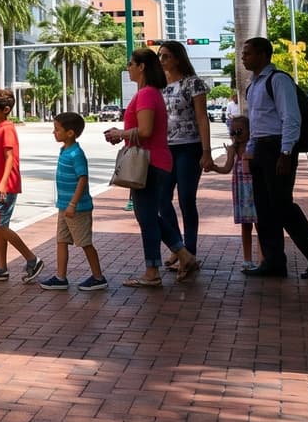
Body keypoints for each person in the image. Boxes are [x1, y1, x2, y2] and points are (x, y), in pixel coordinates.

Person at [240, 37, 308, 278]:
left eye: (247, 53)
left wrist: (286, 152)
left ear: (263, 55)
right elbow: (256, 122)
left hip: (277, 148)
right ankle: (273, 262)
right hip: (261, 148)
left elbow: (291, 118)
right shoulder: (252, 85)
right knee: (263, 208)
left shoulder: (278, 80)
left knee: (282, 206)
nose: (243, 57)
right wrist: (249, 152)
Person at [106, 47, 198, 287]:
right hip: (154, 161)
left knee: (146, 219)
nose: (128, 67)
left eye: (130, 63)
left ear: (142, 66)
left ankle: (152, 271)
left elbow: (145, 131)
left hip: (149, 162)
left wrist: (120, 132)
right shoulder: (151, 93)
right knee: (148, 216)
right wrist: (123, 134)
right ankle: (183, 254)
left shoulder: (147, 94)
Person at [36, 111, 107, 291]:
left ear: (70, 133)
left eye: (57, 129)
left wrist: (73, 204)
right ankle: (61, 277)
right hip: (64, 207)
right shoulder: (65, 150)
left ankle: (98, 277)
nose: (54, 132)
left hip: (77, 208)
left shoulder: (76, 153)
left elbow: (83, 178)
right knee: (61, 240)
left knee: (84, 242)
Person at [157, 40, 212, 266]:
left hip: (190, 146)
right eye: (160, 56)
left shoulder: (192, 83)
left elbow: (202, 118)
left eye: (166, 56)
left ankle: (190, 249)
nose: (161, 60)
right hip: (166, 148)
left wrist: (206, 151)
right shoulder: (158, 85)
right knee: (161, 199)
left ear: (178, 58)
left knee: (186, 199)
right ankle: (178, 247)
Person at [0, 88, 43, 281]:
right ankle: (1, 267)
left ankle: (32, 259)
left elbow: (9, 158)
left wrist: (4, 183)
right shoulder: (0, 127)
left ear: (5, 109)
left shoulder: (6, 128)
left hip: (4, 186)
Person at [204, 113, 258, 269]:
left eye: (239, 132)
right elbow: (227, 168)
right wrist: (214, 167)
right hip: (241, 192)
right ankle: (247, 259)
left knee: (260, 224)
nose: (236, 136)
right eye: (233, 133)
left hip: (254, 190)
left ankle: (262, 258)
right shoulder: (233, 150)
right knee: (245, 226)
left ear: (249, 131)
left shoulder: (252, 146)